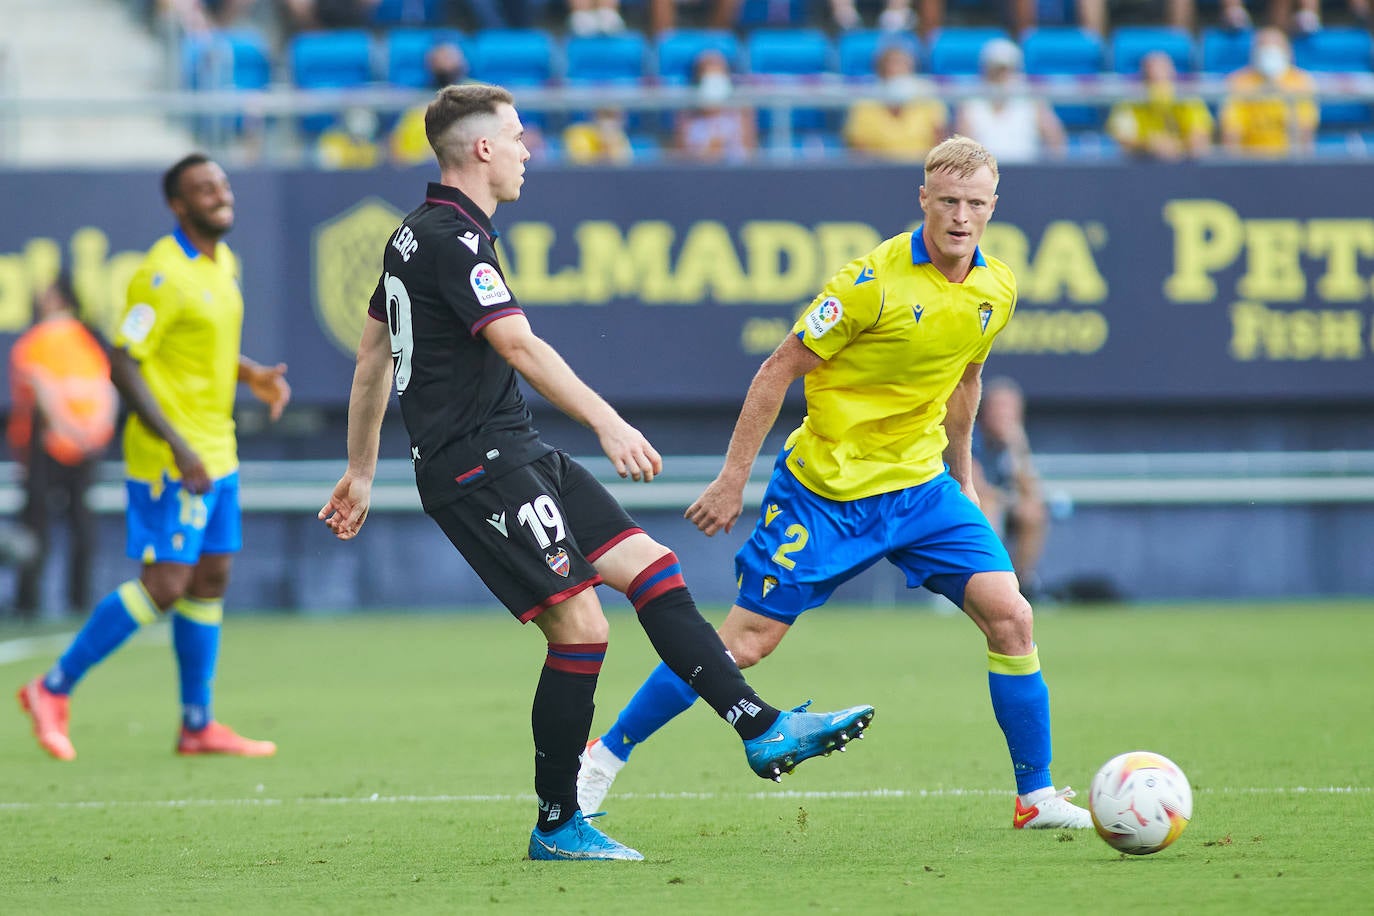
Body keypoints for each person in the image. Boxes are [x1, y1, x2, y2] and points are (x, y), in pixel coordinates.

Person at [317, 83, 874, 863]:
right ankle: (558, 823)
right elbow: (519, 345)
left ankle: (758, 725)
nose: (526, 149)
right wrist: (610, 422)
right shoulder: (454, 241)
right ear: (480, 149)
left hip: (513, 449)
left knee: (651, 566)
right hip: (476, 467)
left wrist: (361, 470)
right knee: (580, 629)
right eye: (515, 136)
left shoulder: (413, 234)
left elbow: (374, 354)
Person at [578, 135, 1093, 833]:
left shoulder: (995, 288)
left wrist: (963, 480)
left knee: (1013, 616)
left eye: (975, 203)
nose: (961, 217)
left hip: (920, 490)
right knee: (744, 644)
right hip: (826, 492)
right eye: (948, 202)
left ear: (993, 206)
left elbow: (965, 384)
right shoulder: (869, 281)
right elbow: (775, 371)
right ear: (923, 200)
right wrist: (734, 480)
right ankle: (603, 759)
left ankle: (1034, 797)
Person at [16, 153, 292, 762]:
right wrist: (179, 446)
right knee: (165, 584)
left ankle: (198, 725)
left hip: (218, 448)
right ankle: (49, 688)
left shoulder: (222, 265)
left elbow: (196, 350)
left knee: (212, 576)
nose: (220, 194)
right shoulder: (160, 275)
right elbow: (123, 361)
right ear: (178, 205)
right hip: (176, 457)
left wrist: (251, 376)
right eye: (203, 189)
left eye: (221, 184)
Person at [7, 273, 118, 620]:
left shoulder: (38, 341)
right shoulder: (89, 341)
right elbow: (107, 391)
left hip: (47, 444)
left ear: (56, 299)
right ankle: (79, 600)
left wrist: (66, 429)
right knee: (80, 522)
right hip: (85, 445)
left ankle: (29, 601)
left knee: (36, 524)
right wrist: (93, 433)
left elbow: (44, 391)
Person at [971, 377, 1048, 598]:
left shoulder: (1015, 441)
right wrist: (1005, 499)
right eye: (998, 408)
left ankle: (1020, 584)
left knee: (1032, 512)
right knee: (988, 507)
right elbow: (977, 488)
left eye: (1010, 409)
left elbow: (1031, 491)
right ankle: (980, 585)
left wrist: (1017, 448)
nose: (1003, 415)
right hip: (974, 506)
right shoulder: (972, 437)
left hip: (1003, 503)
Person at [954, 39, 1065, 165]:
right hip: (984, 175)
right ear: (986, 70)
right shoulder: (970, 102)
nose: (1001, 76)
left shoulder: (1032, 99)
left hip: (1027, 171)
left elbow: (1055, 140)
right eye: (995, 70)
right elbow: (962, 149)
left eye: (1006, 69)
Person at [1219, 27, 1318, 158]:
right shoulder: (1237, 82)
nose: (1270, 52)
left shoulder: (1301, 82)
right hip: (1249, 161)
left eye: (1276, 47)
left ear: (1288, 52)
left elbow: (1305, 133)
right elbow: (1231, 135)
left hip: (1288, 160)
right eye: (1263, 47)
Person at [843, 42, 948, 163]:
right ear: (880, 72)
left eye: (902, 65)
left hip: (922, 167)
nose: (896, 71)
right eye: (890, 66)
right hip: (877, 171)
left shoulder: (927, 97)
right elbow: (858, 150)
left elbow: (940, 143)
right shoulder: (865, 103)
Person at [1107, 51, 1213, 161]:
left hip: (1183, 163)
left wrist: (1176, 146)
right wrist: (1149, 144)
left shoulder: (1188, 98)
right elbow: (1123, 139)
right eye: (1151, 74)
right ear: (1143, 76)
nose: (1158, 76)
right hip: (1141, 164)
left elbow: (1200, 137)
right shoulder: (1129, 101)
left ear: (1173, 73)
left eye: (1163, 71)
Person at [392, 42, 471, 167]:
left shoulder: (479, 93)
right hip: (421, 170)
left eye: (448, 58)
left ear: (462, 62)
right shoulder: (415, 102)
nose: (444, 65)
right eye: (437, 60)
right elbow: (399, 151)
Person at [674, 49, 757, 163]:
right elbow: (682, 160)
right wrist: (708, 153)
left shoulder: (742, 112)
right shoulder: (687, 116)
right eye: (707, 69)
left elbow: (749, 156)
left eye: (718, 69)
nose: (713, 72)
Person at [562, 108, 634, 165]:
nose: (608, 121)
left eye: (614, 117)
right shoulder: (577, 132)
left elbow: (622, 164)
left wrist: (609, 141)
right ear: (594, 116)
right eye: (605, 115)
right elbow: (581, 163)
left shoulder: (619, 135)